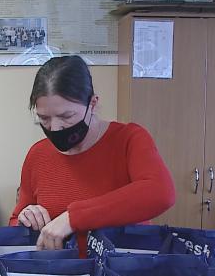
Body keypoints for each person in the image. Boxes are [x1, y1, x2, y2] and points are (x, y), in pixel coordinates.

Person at [10, 55, 175, 252]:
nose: (55, 128)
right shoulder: (38, 154)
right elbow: (14, 225)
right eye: (44, 118)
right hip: (58, 275)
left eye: (66, 116)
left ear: (93, 104)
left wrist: (73, 218)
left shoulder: (129, 140)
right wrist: (25, 219)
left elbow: (160, 192)